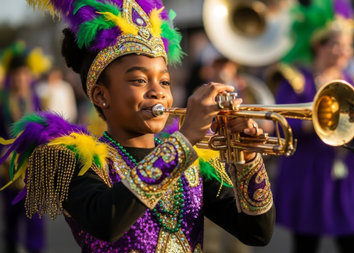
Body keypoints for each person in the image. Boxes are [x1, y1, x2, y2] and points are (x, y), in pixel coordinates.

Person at [0, 0, 275, 252]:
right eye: (139, 80)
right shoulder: (75, 161)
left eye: (164, 82)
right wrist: (185, 139)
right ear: (100, 95)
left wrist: (249, 158)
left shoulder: (192, 163)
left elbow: (257, 233)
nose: (158, 92)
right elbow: (108, 221)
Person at [274, 0, 354, 252]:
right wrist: (313, 125)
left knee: (353, 242)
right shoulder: (297, 80)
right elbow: (279, 122)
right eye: (338, 44)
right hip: (308, 171)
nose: (344, 51)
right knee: (306, 244)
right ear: (318, 45)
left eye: (348, 45)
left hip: (345, 171)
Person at [0, 42, 51, 253]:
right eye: (16, 74)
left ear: (30, 75)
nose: (21, 79)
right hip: (8, 171)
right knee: (11, 219)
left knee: (35, 219)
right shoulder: (2, 102)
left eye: (24, 74)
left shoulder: (39, 100)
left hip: (34, 170)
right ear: (11, 76)